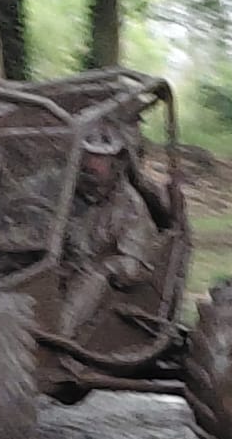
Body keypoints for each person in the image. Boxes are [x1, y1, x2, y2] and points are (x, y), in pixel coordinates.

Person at [59, 122, 158, 343]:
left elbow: (136, 266)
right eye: (86, 155)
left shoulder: (130, 207)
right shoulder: (63, 188)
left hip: (93, 281)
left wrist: (105, 267)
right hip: (57, 267)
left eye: (99, 158)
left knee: (93, 279)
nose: (89, 164)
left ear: (117, 163)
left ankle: (58, 337)